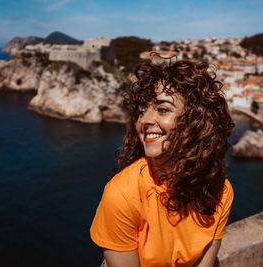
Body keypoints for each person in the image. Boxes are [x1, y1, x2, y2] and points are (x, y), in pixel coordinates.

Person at [90, 59, 234, 267]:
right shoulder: (122, 194)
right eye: (141, 111)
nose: (145, 120)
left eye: (163, 110)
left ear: (198, 121)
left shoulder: (220, 191)